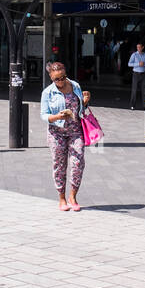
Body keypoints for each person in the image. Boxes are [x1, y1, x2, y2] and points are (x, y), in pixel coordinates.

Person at [40, 61, 91, 210]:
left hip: (75, 131)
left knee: (78, 163)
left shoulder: (75, 86)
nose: (60, 81)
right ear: (51, 78)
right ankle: (62, 198)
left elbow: (80, 107)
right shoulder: (47, 93)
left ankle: (73, 197)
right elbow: (43, 115)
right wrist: (57, 117)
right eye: (57, 79)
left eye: (62, 77)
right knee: (59, 165)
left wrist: (85, 102)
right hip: (57, 134)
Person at [127, 42, 145, 110]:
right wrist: (138, 64)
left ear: (142, 47)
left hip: (143, 75)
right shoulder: (134, 55)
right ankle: (132, 105)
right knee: (134, 90)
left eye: (140, 47)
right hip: (136, 74)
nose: (138, 48)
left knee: (144, 91)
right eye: (137, 47)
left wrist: (144, 64)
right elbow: (129, 64)